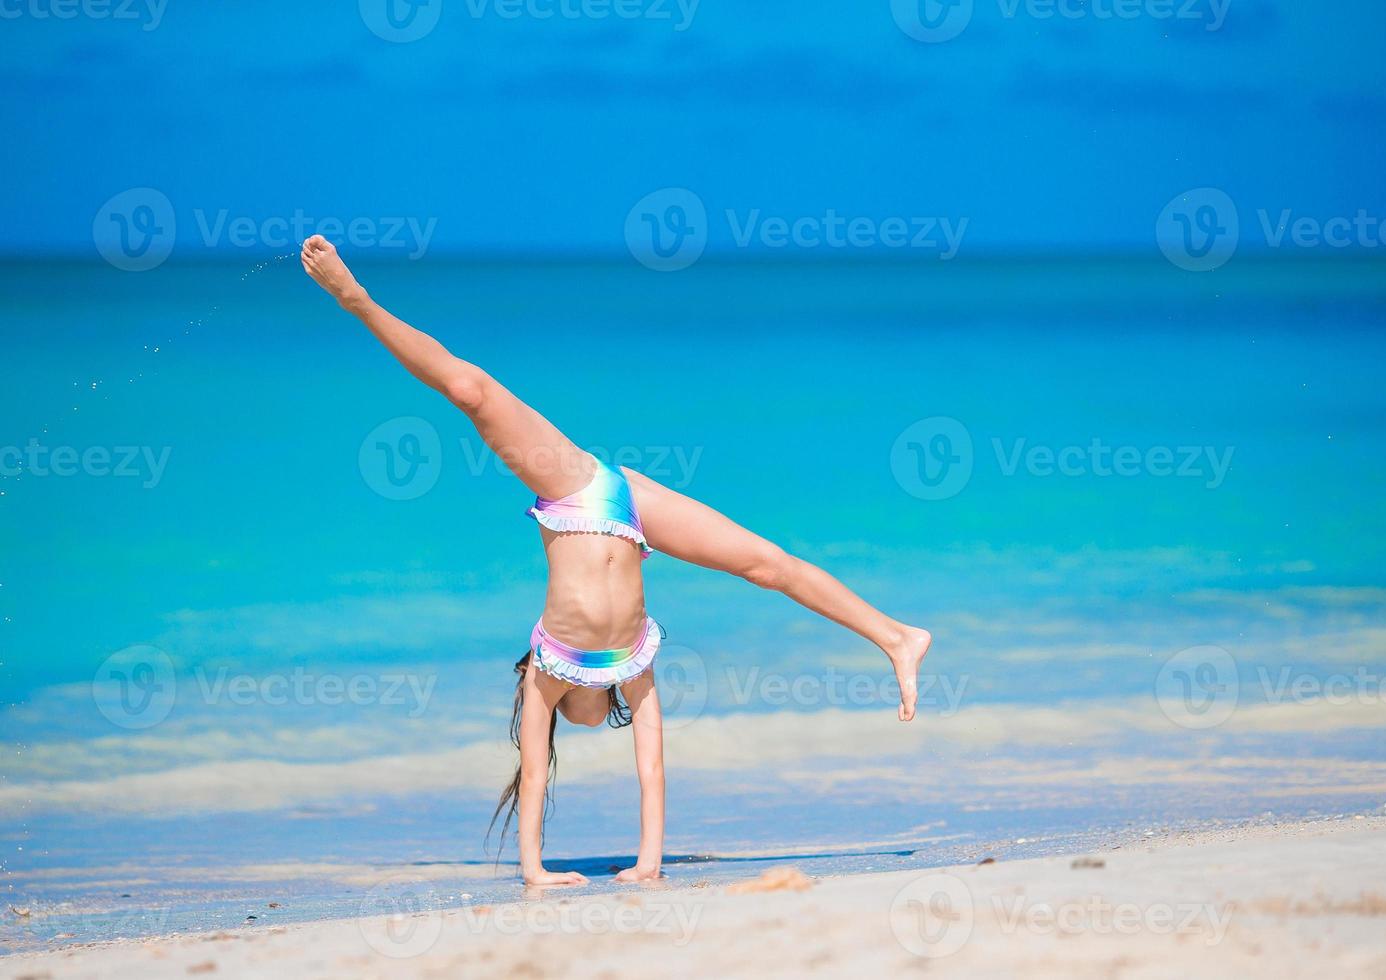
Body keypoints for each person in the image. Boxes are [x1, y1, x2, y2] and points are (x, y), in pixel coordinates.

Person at [300, 235, 931, 885]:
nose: (598, 720)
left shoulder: (546, 669)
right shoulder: (632, 665)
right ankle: (899, 637)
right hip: (629, 504)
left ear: (568, 701)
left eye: (586, 716)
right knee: (766, 565)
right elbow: (652, 769)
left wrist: (535, 872)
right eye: (605, 717)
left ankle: (357, 300)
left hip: (576, 489)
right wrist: (647, 866)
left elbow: (535, 766)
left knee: (473, 392)